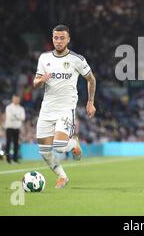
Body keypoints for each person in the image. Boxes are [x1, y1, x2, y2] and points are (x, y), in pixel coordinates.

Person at [33, 24, 96, 188]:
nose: (58, 41)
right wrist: (41, 81)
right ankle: (62, 177)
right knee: (44, 151)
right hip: (46, 110)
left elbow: (91, 79)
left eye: (62, 38)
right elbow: (35, 83)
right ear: (52, 39)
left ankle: (74, 143)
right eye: (55, 38)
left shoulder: (77, 59)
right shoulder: (44, 58)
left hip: (65, 110)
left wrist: (90, 102)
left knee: (59, 147)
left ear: (68, 39)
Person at [4, 94, 26, 163]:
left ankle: (15, 158)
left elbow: (23, 118)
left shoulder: (21, 108)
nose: (16, 100)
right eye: (15, 98)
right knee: (8, 143)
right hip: (9, 127)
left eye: (17, 98)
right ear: (13, 99)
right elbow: (9, 117)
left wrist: (15, 116)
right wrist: (18, 117)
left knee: (16, 144)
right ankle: (7, 158)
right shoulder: (8, 107)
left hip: (17, 128)